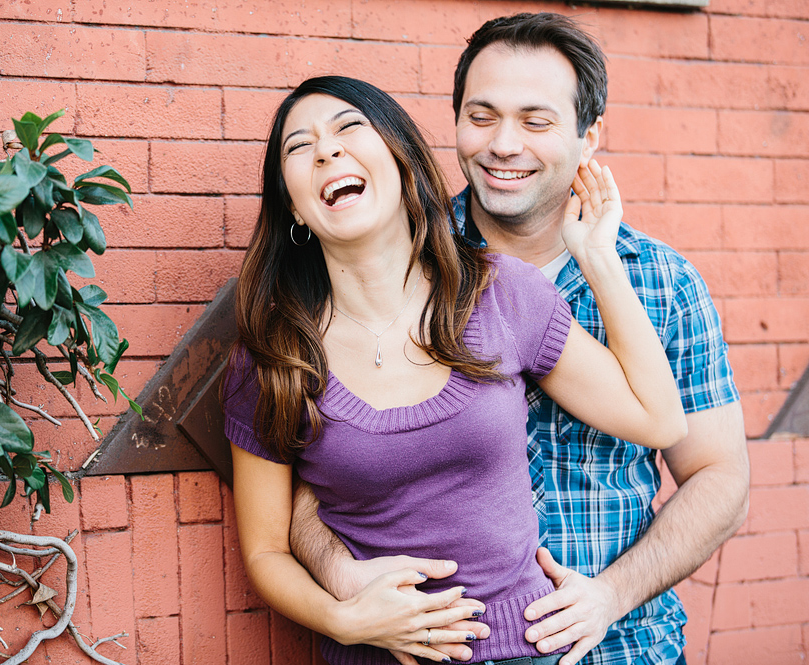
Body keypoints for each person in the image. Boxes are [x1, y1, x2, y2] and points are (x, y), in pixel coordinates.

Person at [287, 14, 749, 665]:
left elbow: (718, 476)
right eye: (481, 116)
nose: (504, 144)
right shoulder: (387, 260)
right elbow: (311, 478)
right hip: (434, 647)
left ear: (589, 137)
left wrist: (610, 595)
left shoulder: (664, 285)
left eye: (536, 121)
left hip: (620, 645)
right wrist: (345, 581)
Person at [224, 75, 686, 665]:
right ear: (293, 204)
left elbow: (659, 420)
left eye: (348, 128)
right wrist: (345, 620)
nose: (325, 150)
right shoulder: (272, 354)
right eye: (298, 147)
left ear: (401, 156)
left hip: (527, 647)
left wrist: (599, 258)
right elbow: (265, 552)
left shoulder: (501, 293)